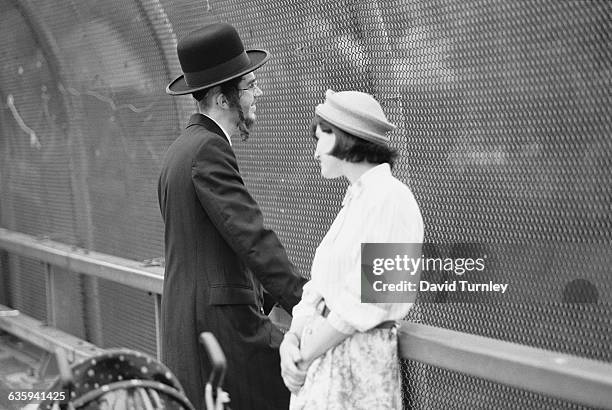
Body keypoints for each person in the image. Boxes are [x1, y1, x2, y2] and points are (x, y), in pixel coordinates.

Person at [158, 22, 306, 410]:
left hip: (187, 331)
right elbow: (250, 237)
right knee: (311, 377)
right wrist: (305, 302)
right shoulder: (207, 150)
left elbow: (221, 241)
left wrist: (278, 295)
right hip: (220, 333)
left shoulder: (180, 151)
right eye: (250, 85)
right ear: (223, 99)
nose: (259, 92)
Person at [279, 90, 424, 409]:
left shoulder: (393, 200)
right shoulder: (355, 203)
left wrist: (303, 354)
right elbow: (317, 288)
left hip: (358, 371)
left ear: (342, 139)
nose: (316, 152)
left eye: (320, 139)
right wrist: (290, 341)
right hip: (323, 367)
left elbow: (367, 301)